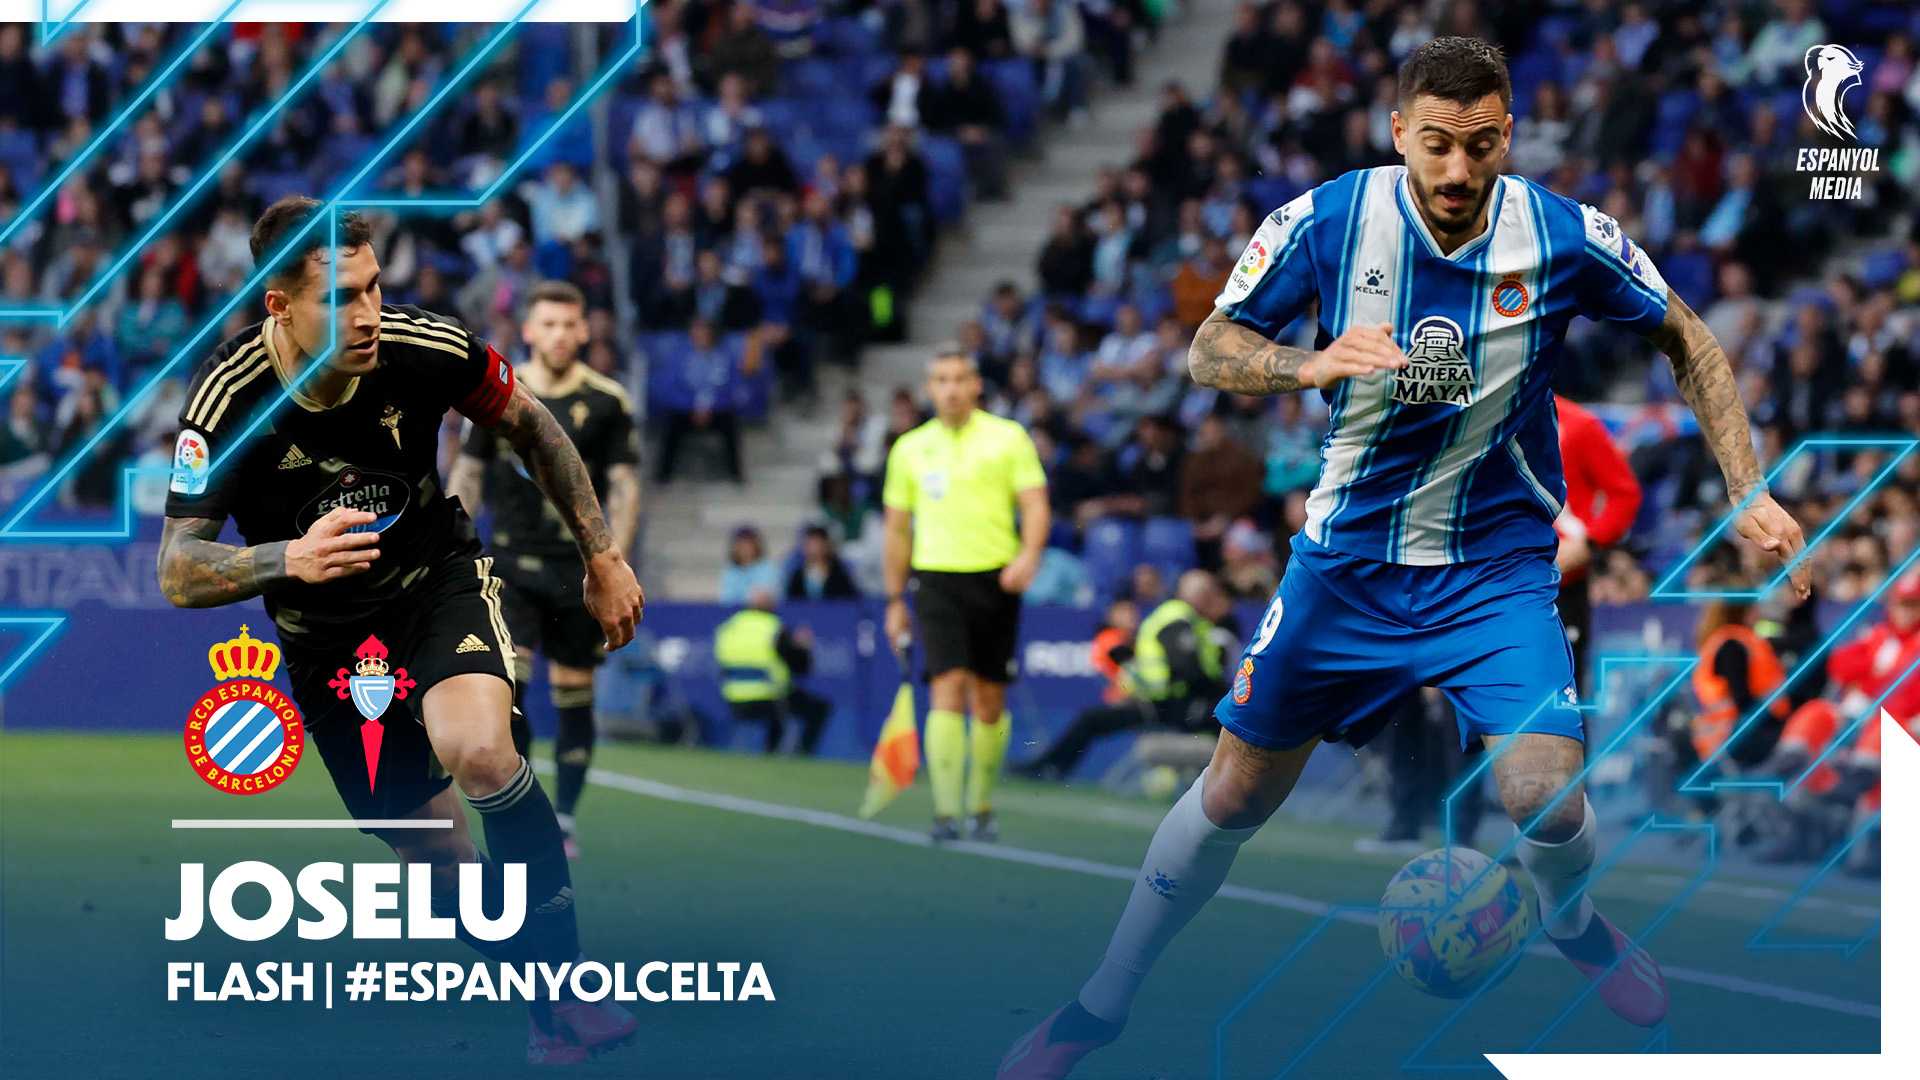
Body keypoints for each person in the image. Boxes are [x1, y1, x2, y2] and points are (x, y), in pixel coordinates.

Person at [999, 39, 1810, 1078]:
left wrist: (1746, 487)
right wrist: (1307, 363)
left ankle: (1570, 921)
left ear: (1508, 133)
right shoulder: (1328, 220)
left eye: (1480, 145)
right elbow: (1211, 346)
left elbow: (1687, 336)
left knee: (1548, 798)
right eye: (1436, 144)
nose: (1458, 170)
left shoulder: (1563, 236)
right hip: (1346, 568)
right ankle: (1098, 1007)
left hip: (1493, 572)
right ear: (1398, 134)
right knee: (1235, 792)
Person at [156, 196, 646, 1066]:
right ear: (279, 304)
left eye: (375, 287)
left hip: (434, 584)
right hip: (326, 643)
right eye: (341, 298)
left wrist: (602, 554)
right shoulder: (228, 400)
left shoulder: (426, 347)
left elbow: (532, 425)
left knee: (482, 753)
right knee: (439, 858)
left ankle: (567, 982)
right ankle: (543, 1006)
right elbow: (178, 568)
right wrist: (287, 558)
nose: (369, 313)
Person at [447, 280, 643, 860]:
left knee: (575, 690)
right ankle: (527, 812)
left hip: (578, 573)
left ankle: (566, 818)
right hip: (510, 567)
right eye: (548, 324)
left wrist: (612, 565)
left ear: (584, 330)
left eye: (569, 324)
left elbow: (625, 487)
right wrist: (453, 543)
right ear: (529, 330)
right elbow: (469, 473)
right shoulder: (495, 391)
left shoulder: (608, 401)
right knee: (509, 689)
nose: (559, 335)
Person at [882, 346, 1050, 843]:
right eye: (941, 380)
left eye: (959, 378)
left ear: (976, 385)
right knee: (947, 684)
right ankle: (944, 812)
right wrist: (894, 600)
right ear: (929, 388)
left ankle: (980, 804)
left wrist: (1029, 556)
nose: (951, 388)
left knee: (989, 696)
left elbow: (1035, 504)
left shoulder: (1008, 437)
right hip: (935, 578)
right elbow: (896, 530)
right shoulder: (909, 448)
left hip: (995, 578)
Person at [1016, 571, 1231, 780]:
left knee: (1091, 720)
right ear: (1198, 595)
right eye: (1208, 593)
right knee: (1231, 723)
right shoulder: (1177, 618)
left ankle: (1049, 766)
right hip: (1167, 703)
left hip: (1161, 701)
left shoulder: (1185, 619)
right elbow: (1186, 668)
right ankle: (1048, 767)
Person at [1554, 394, 1642, 696]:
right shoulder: (1480, 420)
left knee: (1563, 698)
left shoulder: (1578, 424)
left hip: (1562, 587)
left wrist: (1588, 544)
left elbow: (1624, 494)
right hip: (1493, 584)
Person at [713, 588, 832, 754]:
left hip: (733, 699)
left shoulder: (728, 627)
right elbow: (801, 667)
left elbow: (720, 664)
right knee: (818, 708)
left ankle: (771, 750)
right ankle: (800, 753)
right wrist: (803, 648)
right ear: (771, 605)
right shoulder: (774, 628)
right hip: (770, 698)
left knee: (780, 708)